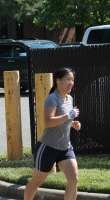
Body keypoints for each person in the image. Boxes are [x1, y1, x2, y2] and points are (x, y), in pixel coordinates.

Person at [24, 67, 81, 200]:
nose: (71, 83)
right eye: (68, 79)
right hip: (47, 148)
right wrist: (68, 116)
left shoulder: (69, 98)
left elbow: (65, 119)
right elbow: (48, 122)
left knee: (73, 179)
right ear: (58, 81)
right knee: (37, 181)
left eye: (72, 80)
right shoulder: (52, 99)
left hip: (65, 147)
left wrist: (73, 124)